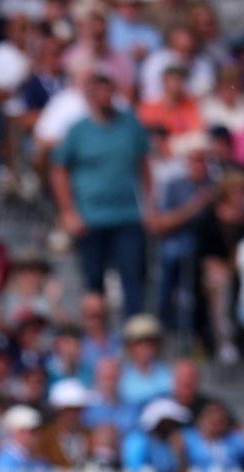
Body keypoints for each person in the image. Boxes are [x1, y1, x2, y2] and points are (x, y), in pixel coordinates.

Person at [51, 68, 150, 319]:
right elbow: (59, 170)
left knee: (132, 277)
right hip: (91, 217)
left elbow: (144, 164)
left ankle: (134, 332)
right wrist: (69, 211)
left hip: (127, 215)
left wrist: (149, 204)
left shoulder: (130, 124)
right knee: (94, 281)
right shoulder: (78, 131)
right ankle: (98, 338)